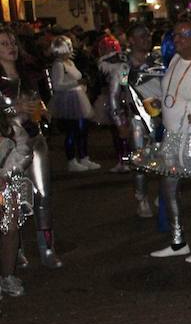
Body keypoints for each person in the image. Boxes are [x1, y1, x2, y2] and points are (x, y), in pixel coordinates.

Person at [134, 20, 191, 258]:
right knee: (169, 188)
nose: (176, 40)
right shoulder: (175, 61)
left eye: (182, 35)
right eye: (175, 36)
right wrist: (159, 101)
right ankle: (178, 241)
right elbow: (172, 92)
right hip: (172, 136)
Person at [0, 26, 62, 268]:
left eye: (12, 43)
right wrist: (12, 109)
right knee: (13, 200)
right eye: (4, 44)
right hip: (9, 149)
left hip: (35, 141)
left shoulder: (28, 75)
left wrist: (43, 111)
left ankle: (47, 249)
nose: (10, 48)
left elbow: (42, 104)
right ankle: (15, 251)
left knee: (43, 196)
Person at [108, 23, 165, 219]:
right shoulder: (124, 68)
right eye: (142, 36)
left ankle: (163, 194)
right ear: (131, 40)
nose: (146, 39)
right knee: (140, 162)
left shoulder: (158, 61)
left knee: (166, 161)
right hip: (136, 121)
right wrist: (120, 123)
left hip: (160, 119)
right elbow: (114, 96)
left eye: (148, 35)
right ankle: (141, 198)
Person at [48, 35, 97, 172]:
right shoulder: (58, 65)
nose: (71, 48)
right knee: (72, 131)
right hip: (68, 100)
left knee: (82, 130)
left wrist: (83, 85)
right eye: (69, 46)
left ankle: (84, 157)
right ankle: (72, 160)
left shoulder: (69, 62)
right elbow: (57, 86)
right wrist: (77, 83)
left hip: (78, 97)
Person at [0, 95, 31, 298]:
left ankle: (7, 275)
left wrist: (7, 173)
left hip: (5, 185)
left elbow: (24, 151)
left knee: (10, 230)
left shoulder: (9, 126)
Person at [95, 34, 129, 173]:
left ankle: (123, 160)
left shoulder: (105, 62)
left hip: (116, 98)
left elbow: (108, 82)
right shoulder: (125, 57)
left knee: (118, 132)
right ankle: (126, 159)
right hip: (127, 97)